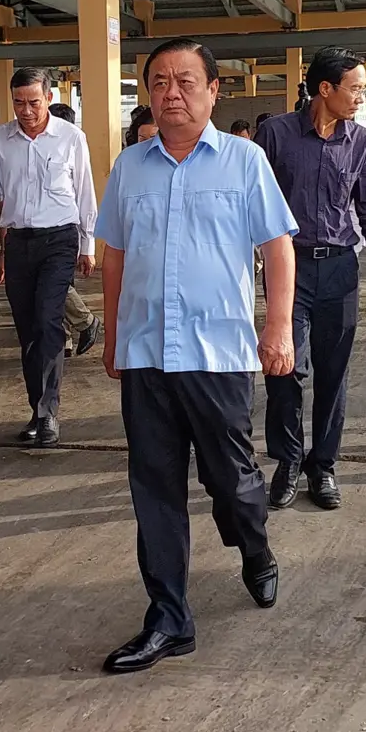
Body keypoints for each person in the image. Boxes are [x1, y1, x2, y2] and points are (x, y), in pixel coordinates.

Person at [96, 38, 297, 674]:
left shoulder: (244, 161)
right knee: (154, 489)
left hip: (218, 353)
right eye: (159, 82)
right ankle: (168, 619)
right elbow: (115, 256)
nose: (171, 92)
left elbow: (278, 248)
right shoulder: (130, 167)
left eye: (186, 81)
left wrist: (280, 328)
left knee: (231, 482)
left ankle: (256, 550)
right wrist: (111, 334)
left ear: (214, 91)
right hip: (148, 354)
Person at [252, 48, 366, 511]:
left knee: (333, 373)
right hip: (287, 266)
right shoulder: (275, 134)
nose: (361, 96)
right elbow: (251, 204)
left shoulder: (362, 142)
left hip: (340, 269)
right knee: (284, 368)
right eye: (355, 87)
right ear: (325, 89)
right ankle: (288, 460)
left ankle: (324, 466)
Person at [0, 68, 98, 447]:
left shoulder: (70, 138)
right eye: (18, 103)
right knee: (28, 331)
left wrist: (87, 245)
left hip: (59, 240)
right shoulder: (0, 140)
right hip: (17, 244)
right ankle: (37, 409)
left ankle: (48, 413)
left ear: (48, 97)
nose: (26, 111)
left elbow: (84, 194)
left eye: (33, 102)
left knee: (48, 321)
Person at [26, 102, 103, 359]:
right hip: (29, 240)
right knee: (47, 290)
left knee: (55, 289)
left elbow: (85, 196)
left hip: (63, 236)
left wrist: (87, 245)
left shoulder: (73, 143)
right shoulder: (24, 148)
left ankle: (83, 323)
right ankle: (67, 335)